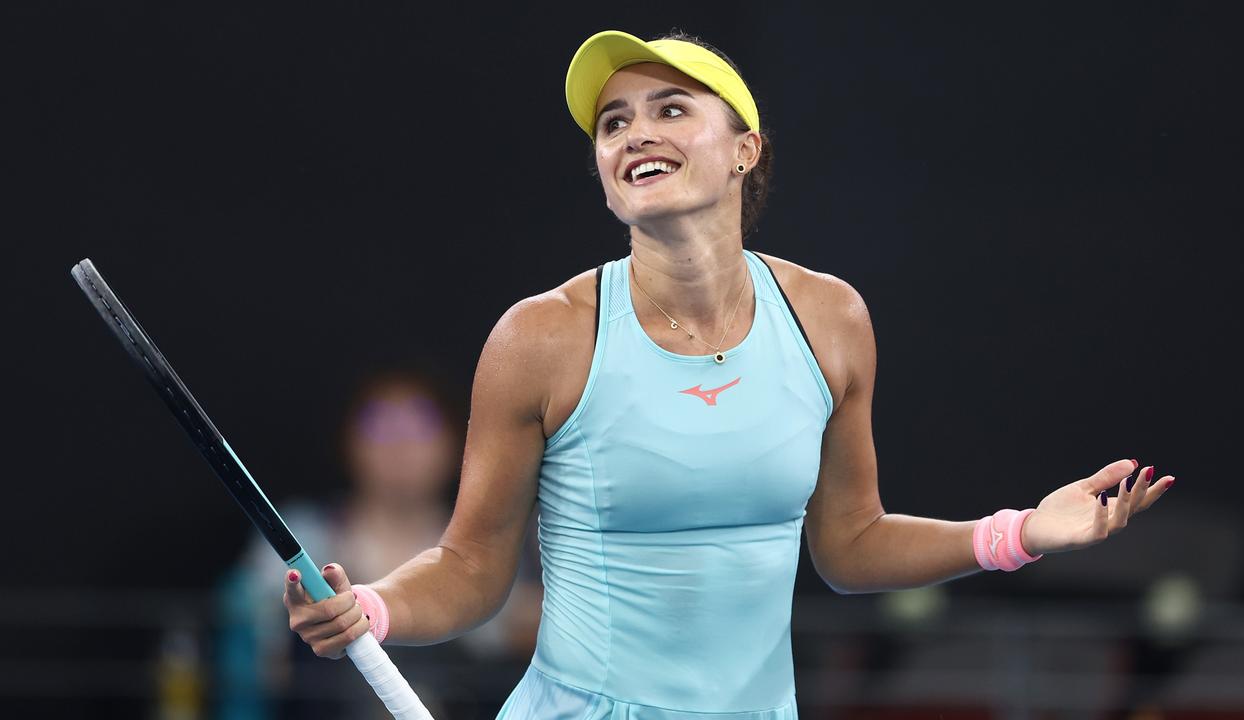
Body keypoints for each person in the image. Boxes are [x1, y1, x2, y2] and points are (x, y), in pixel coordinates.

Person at [281, 30, 1176, 718]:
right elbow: (472, 568)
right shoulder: (541, 338)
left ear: (744, 150)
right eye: (613, 122)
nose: (636, 132)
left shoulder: (831, 319)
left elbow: (850, 544)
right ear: (604, 177)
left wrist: (1021, 532)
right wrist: (375, 609)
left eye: (672, 109)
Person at [217, 370, 540, 718]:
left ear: (454, 442)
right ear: (352, 442)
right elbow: (245, 625)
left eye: (419, 427)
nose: (400, 446)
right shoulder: (306, 533)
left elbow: (513, 627)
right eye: (381, 428)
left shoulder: (489, 542)